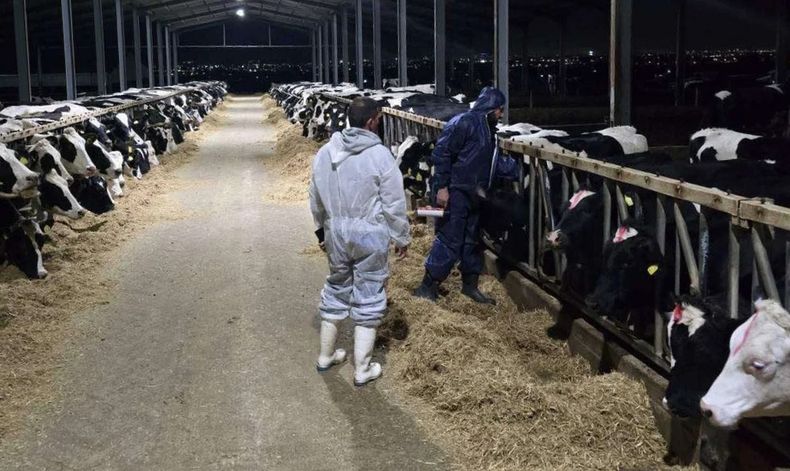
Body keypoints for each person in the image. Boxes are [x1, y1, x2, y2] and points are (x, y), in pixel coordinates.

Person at [309, 97, 411, 387]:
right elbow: (393, 202)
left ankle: (326, 356)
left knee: (336, 287)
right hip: (370, 234)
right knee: (369, 294)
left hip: (336, 232)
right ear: (370, 122)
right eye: (378, 119)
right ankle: (362, 369)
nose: (378, 123)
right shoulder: (380, 156)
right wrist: (401, 236)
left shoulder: (326, 151)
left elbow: (314, 195)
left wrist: (321, 231)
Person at [413, 87, 518, 304]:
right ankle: (428, 285)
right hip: (456, 191)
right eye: (499, 109)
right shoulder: (463, 123)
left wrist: (516, 168)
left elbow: (489, 161)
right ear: (490, 107)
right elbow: (442, 153)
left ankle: (470, 286)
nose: (501, 114)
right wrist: (442, 187)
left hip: (476, 194)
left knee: (472, 240)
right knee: (450, 238)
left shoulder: (490, 130)